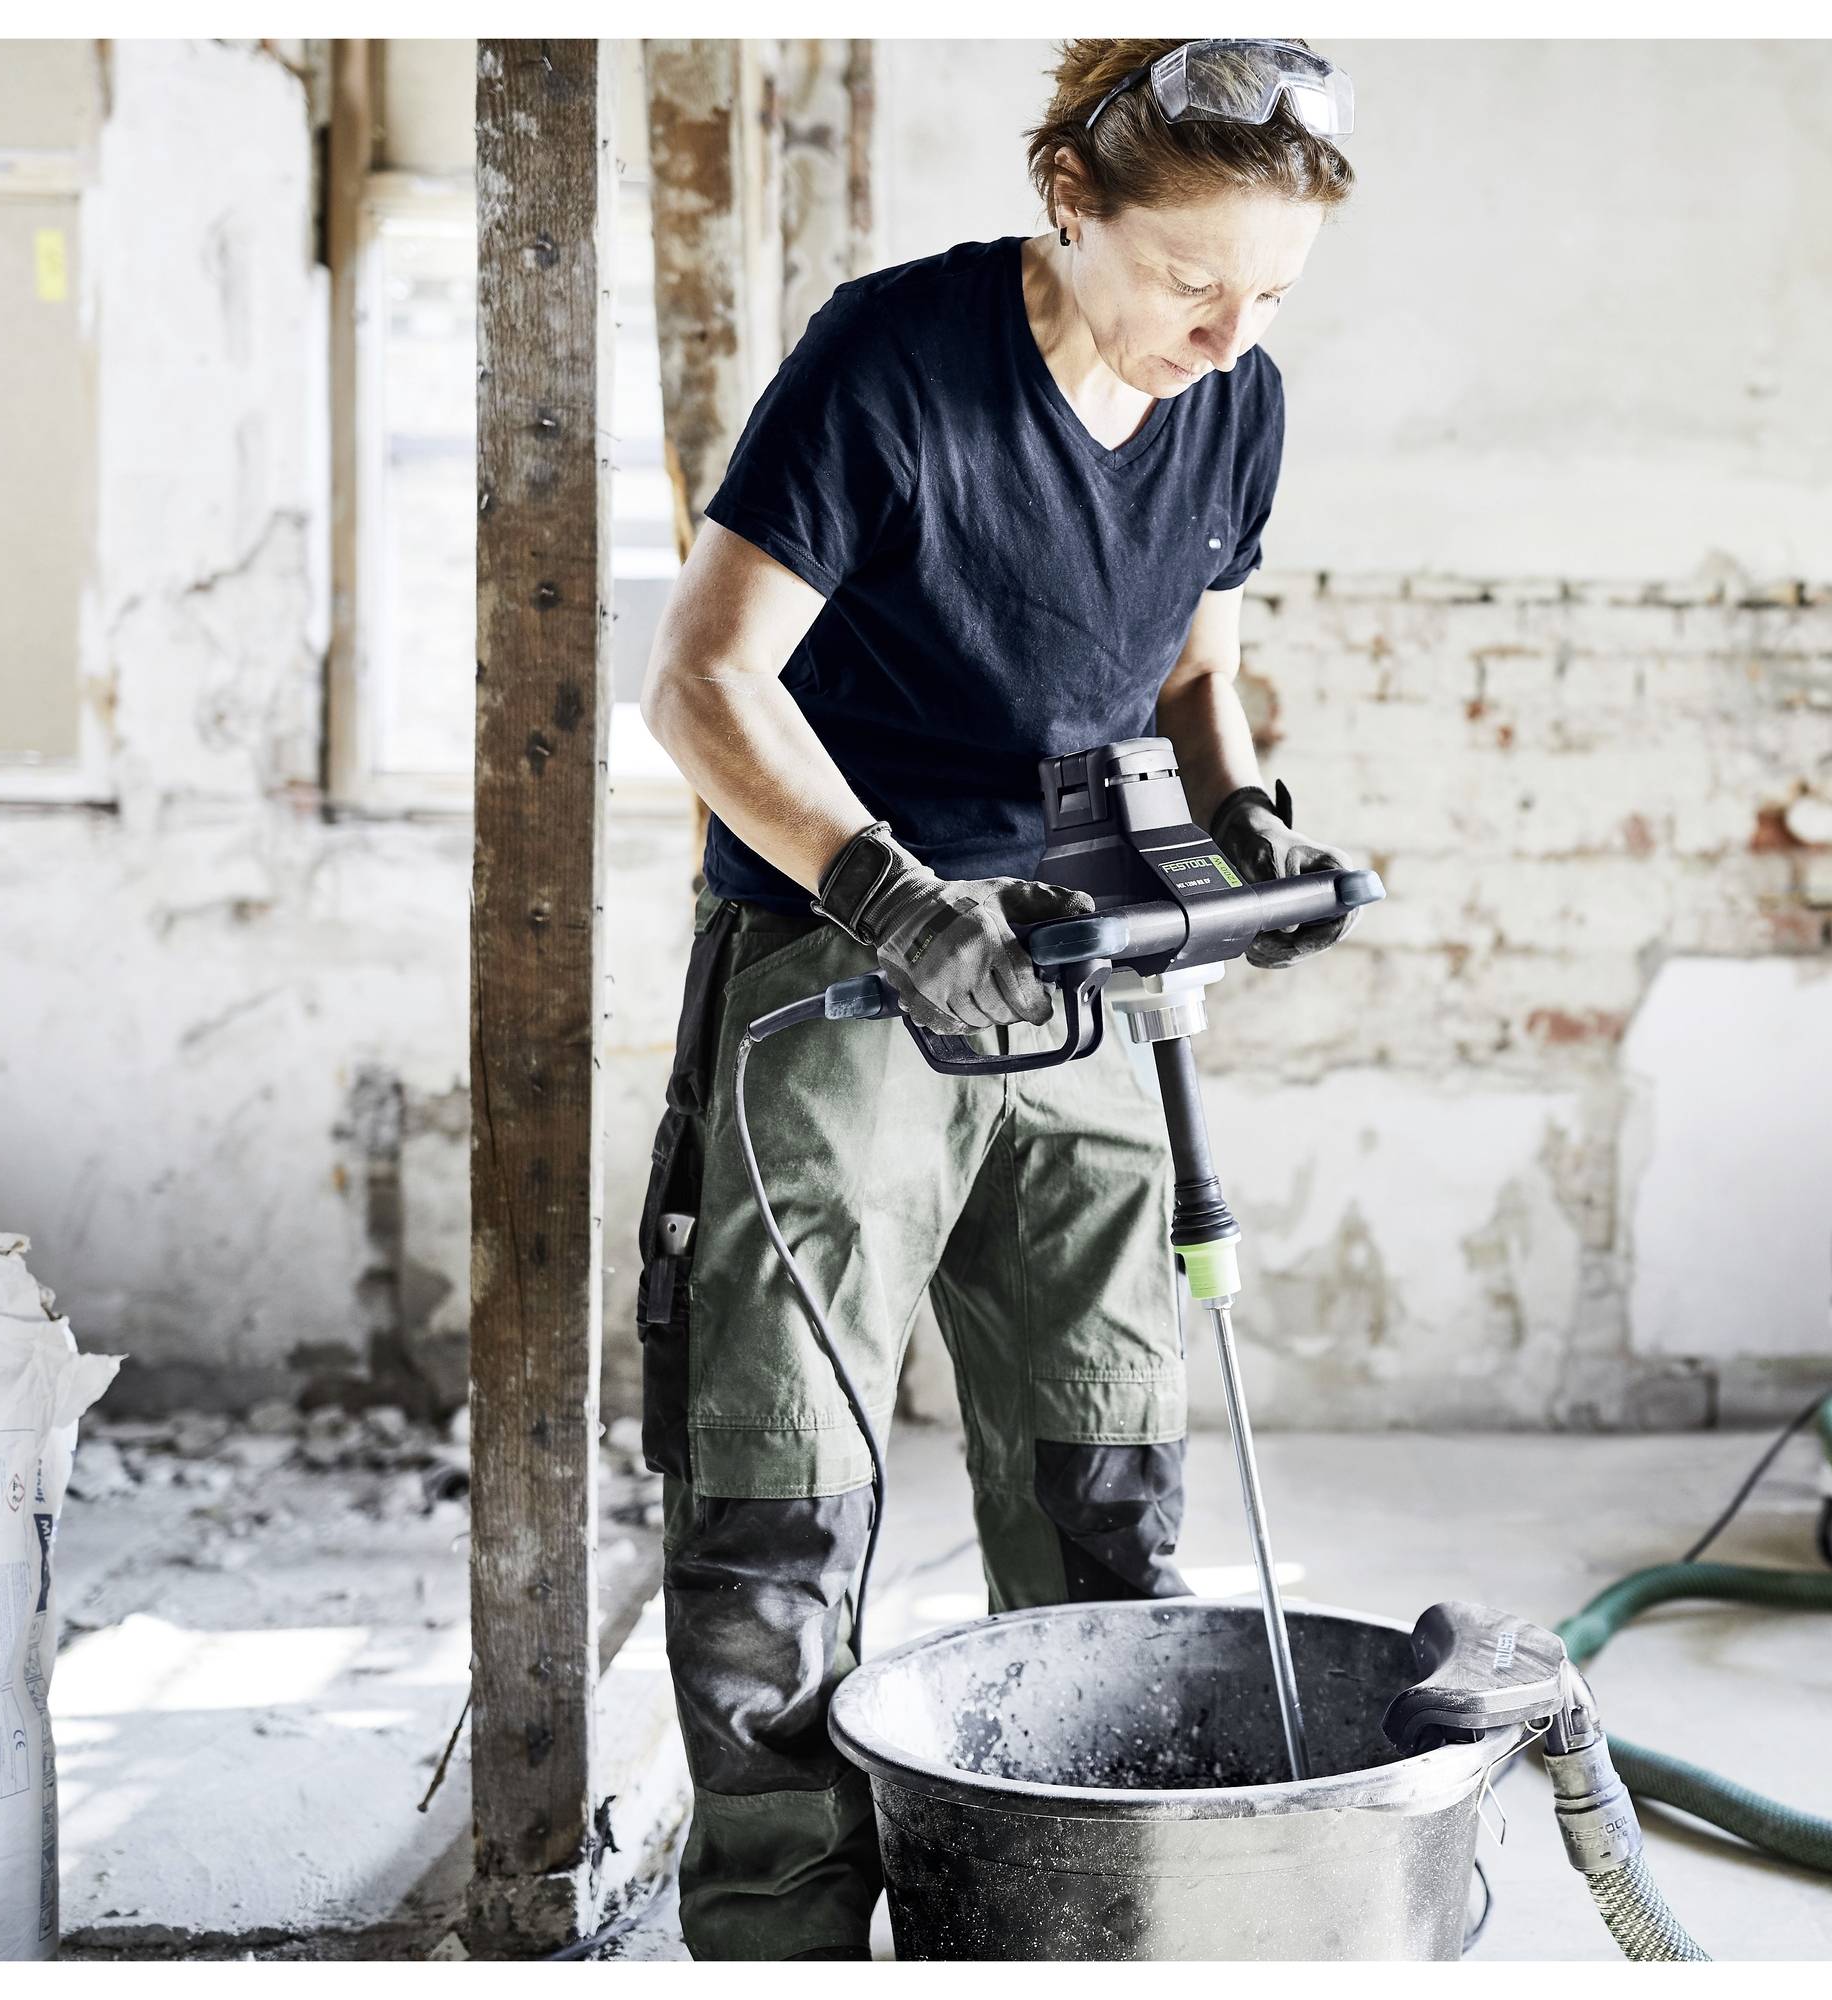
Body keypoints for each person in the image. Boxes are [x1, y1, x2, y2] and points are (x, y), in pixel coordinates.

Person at [628, 38, 1361, 1960]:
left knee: (1107, 1481)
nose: (1228, 330)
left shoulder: (1235, 405)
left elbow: (1199, 666)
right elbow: (701, 685)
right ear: (1072, 200)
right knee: (785, 1488)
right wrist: (886, 894)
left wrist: (1246, 822)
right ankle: (782, 1925)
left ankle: (1071, 1900)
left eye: (1270, 293)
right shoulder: (894, 361)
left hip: (1088, 964)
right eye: (1195, 280)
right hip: (841, 967)